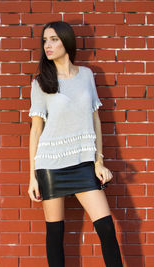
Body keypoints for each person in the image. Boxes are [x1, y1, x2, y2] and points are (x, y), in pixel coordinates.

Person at [27, 21, 123, 267]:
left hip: (83, 165)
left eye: (54, 39)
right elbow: (36, 130)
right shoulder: (40, 82)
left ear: (67, 42)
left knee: (106, 229)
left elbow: (95, 120)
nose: (48, 45)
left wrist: (98, 162)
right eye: (45, 41)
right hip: (50, 166)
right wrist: (32, 177)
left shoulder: (87, 76)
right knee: (55, 235)